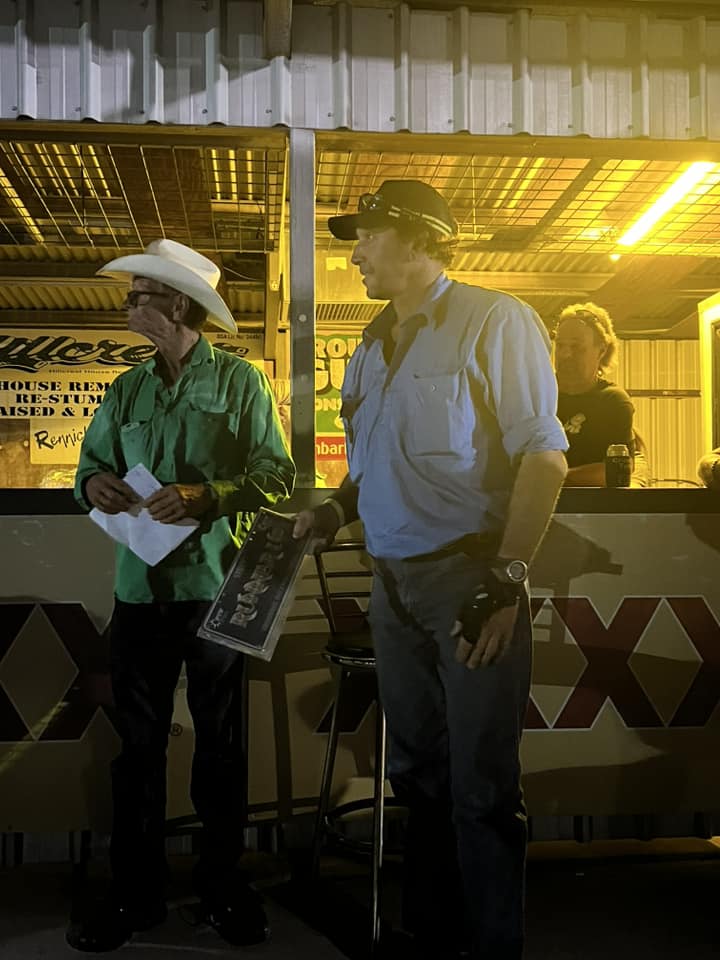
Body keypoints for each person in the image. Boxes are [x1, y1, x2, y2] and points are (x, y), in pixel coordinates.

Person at [294, 180, 568, 960]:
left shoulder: (495, 320)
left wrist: (505, 582)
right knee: (417, 777)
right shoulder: (369, 347)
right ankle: (434, 935)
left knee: (482, 786)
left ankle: (492, 947)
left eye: (368, 236)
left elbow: (544, 459)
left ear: (418, 240)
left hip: (468, 582)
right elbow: (368, 471)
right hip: (392, 587)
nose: (355, 254)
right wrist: (331, 513)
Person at [68, 239, 295, 952]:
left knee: (220, 746)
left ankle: (221, 886)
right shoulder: (125, 390)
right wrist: (94, 485)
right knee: (137, 750)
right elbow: (88, 470)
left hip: (214, 588)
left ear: (176, 303)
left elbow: (276, 476)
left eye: (139, 293)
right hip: (139, 591)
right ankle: (135, 891)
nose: (127, 303)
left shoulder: (241, 381)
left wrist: (206, 495)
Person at [553, 302, 635, 486]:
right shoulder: (535, 396)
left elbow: (617, 470)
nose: (565, 354)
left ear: (601, 350)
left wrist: (554, 476)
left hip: (590, 504)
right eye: (560, 345)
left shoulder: (612, 401)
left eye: (577, 347)